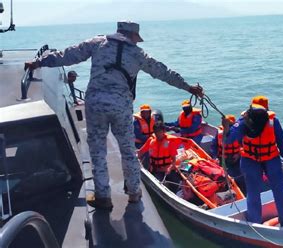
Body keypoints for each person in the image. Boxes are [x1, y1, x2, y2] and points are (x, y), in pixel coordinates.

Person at [24, 20, 204, 210]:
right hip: (121, 105)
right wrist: (188, 87)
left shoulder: (97, 43)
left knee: (98, 150)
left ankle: (103, 197)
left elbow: (67, 55)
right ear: (133, 36)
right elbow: (164, 72)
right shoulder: (138, 54)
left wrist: (37, 62)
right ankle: (134, 193)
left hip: (95, 104)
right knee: (127, 150)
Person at [223, 103, 283, 226]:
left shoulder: (273, 122)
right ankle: (255, 223)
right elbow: (230, 139)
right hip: (251, 160)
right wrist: (227, 128)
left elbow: (282, 141)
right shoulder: (243, 122)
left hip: (271, 159)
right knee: (253, 192)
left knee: (280, 191)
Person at [137, 123, 181, 192]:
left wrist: (169, 168)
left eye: (159, 131)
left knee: (177, 184)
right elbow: (141, 152)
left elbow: (174, 160)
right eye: (156, 131)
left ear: (164, 131)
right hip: (156, 170)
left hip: (168, 170)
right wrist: (136, 158)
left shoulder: (170, 142)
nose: (157, 134)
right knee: (157, 187)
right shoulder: (151, 140)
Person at [210, 114, 245, 193]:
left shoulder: (238, 133)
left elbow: (244, 146)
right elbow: (213, 146)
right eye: (228, 124)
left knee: (241, 176)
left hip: (236, 159)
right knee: (224, 177)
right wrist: (215, 157)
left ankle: (242, 190)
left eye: (231, 125)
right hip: (223, 159)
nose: (229, 126)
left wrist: (239, 154)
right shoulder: (219, 133)